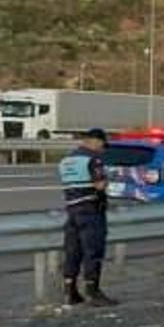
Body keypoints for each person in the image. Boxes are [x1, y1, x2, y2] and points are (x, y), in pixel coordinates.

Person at [58, 128, 117, 306]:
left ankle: (70, 291)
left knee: (72, 252)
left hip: (72, 209)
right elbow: (99, 185)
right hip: (91, 210)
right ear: (96, 141)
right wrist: (108, 179)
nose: (102, 150)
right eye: (102, 145)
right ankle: (93, 291)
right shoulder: (93, 160)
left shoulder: (66, 161)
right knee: (93, 251)